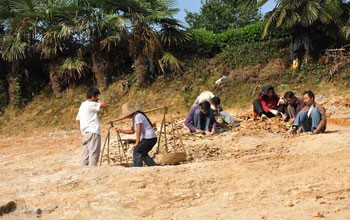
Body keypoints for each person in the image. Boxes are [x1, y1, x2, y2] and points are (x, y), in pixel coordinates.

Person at [115, 103, 158, 167]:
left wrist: (137, 142)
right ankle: (153, 166)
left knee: (137, 151)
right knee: (142, 153)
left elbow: (138, 130)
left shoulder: (138, 116)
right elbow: (132, 131)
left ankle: (137, 167)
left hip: (149, 138)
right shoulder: (135, 117)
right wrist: (121, 131)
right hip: (148, 138)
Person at [76, 88, 108, 166]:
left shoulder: (82, 105)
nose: (98, 98)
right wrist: (97, 100)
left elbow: (77, 120)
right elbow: (105, 104)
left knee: (85, 155)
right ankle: (92, 171)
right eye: (97, 96)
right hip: (93, 131)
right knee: (94, 153)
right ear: (93, 96)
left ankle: (83, 171)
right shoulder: (91, 104)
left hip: (85, 133)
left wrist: (81, 132)